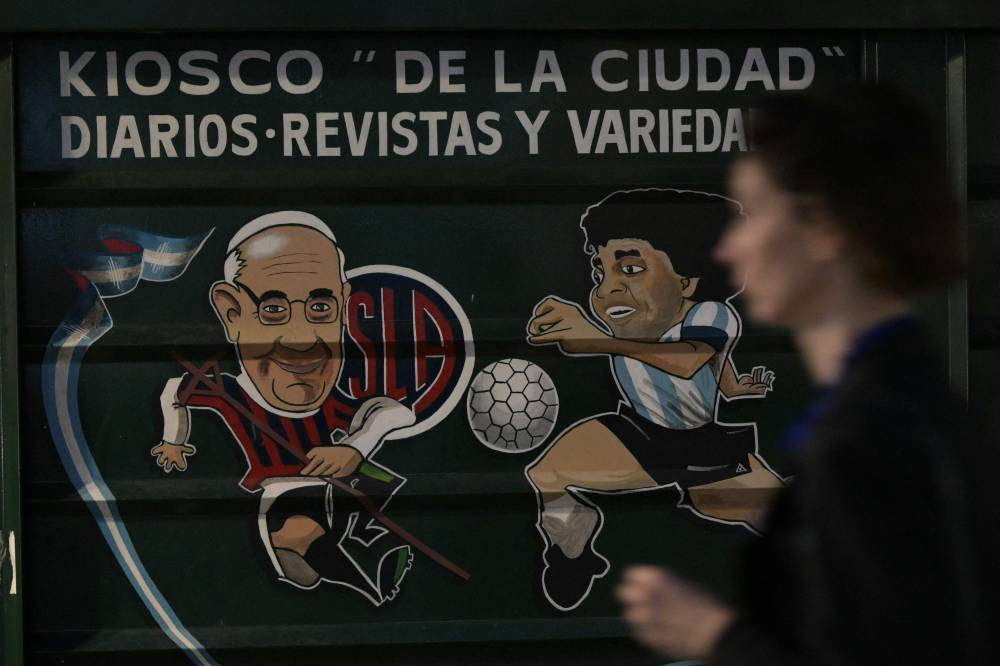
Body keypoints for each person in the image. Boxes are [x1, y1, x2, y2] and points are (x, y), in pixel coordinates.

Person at [617, 83, 1000, 664]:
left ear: (823, 227)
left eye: (751, 213)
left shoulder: (862, 443)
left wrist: (710, 635)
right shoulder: (927, 413)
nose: (729, 249)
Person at [525, 188, 782, 612]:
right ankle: (574, 549)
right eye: (599, 273)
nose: (607, 291)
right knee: (547, 473)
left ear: (688, 280)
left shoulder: (711, 314)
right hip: (638, 434)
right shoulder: (623, 328)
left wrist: (596, 342)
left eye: (630, 268)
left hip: (702, 449)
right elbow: (716, 366)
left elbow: (690, 360)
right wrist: (735, 387)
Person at [151, 211, 416, 605]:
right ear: (231, 313)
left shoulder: (337, 408)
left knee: (329, 513)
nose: (301, 339)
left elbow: (397, 412)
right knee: (294, 530)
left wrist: (356, 447)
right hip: (280, 494)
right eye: (273, 310)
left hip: (332, 499)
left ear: (344, 306)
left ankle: (360, 560)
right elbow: (175, 389)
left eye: (321, 309)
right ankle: (362, 574)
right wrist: (173, 439)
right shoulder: (229, 395)